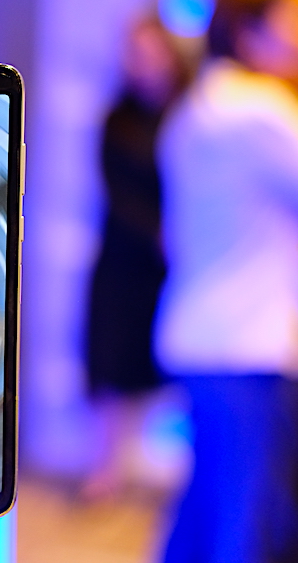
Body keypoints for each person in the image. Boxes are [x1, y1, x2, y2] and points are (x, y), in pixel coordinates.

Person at [154, 0, 298, 560]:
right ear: (248, 31)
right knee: (244, 525)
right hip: (250, 345)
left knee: (204, 514)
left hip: (197, 333)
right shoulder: (262, 111)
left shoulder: (189, 112)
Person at [82, 14, 191, 497]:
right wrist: (159, 231)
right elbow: (117, 192)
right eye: (136, 54)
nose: (143, 63)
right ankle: (107, 468)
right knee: (111, 364)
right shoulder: (116, 118)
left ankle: (160, 465)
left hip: (172, 265)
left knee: (165, 364)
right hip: (123, 260)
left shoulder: (188, 117)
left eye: (152, 53)